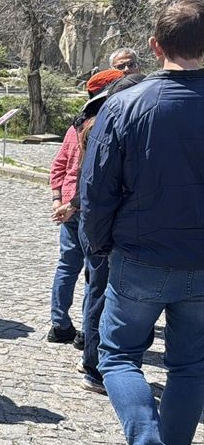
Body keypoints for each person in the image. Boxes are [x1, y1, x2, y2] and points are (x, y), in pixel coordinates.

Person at [80, 0, 204, 445]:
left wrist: (96, 249)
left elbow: (96, 188)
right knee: (191, 366)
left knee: (116, 355)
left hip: (140, 257)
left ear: (154, 47)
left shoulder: (125, 103)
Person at [55, 72, 146, 395]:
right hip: (105, 227)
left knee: (96, 290)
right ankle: (96, 362)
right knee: (101, 292)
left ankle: (91, 353)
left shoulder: (97, 125)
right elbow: (94, 183)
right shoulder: (103, 129)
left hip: (94, 223)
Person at [46, 69, 123, 347]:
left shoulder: (75, 125)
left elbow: (58, 166)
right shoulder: (106, 126)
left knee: (68, 265)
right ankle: (88, 334)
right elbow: (95, 176)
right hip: (90, 209)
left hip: (69, 206)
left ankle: (59, 324)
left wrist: (58, 200)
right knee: (96, 272)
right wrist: (69, 203)